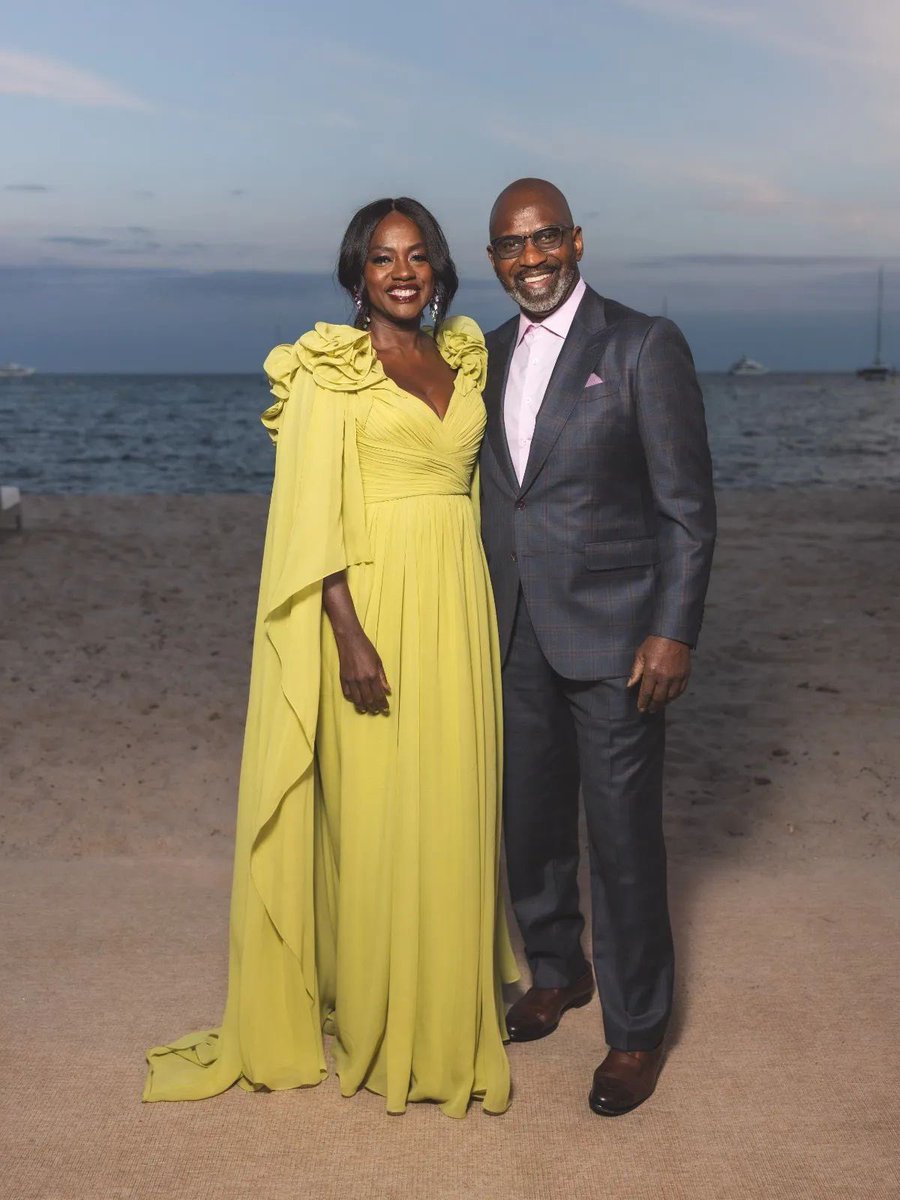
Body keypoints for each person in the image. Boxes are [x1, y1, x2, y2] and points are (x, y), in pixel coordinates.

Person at [144, 197, 518, 1118]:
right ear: (358, 273)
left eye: (417, 255)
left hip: (457, 602)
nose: (402, 270)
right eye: (384, 257)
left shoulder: (460, 354)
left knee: (458, 803)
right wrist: (347, 631)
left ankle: (449, 1007)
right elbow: (311, 513)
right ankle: (387, 1019)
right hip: (373, 606)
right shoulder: (332, 368)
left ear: (438, 269)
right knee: (379, 814)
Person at [479, 178, 716, 1116]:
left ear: (576, 242)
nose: (530, 259)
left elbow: (687, 509)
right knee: (530, 821)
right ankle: (554, 970)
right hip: (513, 627)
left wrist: (673, 628)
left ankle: (636, 1029)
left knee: (622, 840)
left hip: (621, 637)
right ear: (494, 259)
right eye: (510, 246)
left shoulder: (642, 343)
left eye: (544, 240)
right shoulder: (485, 355)